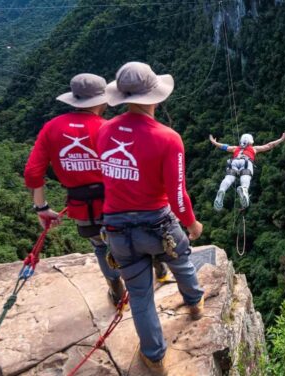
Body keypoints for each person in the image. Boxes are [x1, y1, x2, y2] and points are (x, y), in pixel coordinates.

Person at [97, 62, 205, 375]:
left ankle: (155, 357)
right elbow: (178, 194)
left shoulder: (104, 130)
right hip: (158, 225)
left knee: (141, 295)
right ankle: (195, 302)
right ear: (155, 97)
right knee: (181, 259)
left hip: (117, 230)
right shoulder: (168, 138)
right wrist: (192, 223)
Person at [23, 73, 127, 306]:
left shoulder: (52, 127)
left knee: (100, 246)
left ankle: (116, 290)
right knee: (125, 240)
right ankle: (142, 280)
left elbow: (32, 173)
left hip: (81, 206)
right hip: (116, 200)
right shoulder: (109, 127)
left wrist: (42, 207)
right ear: (103, 100)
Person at [209, 131, 285, 211]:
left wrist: (214, 142)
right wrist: (281, 139)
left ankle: (222, 189)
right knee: (245, 176)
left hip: (233, 162)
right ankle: (244, 189)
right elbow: (269, 145)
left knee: (228, 178)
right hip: (246, 162)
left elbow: (224, 146)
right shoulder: (253, 148)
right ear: (250, 142)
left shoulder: (235, 148)